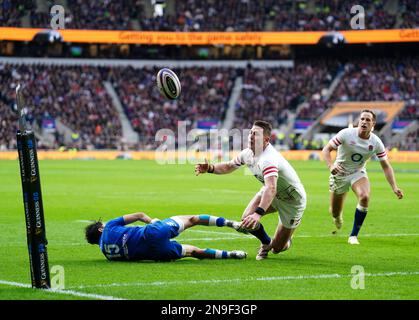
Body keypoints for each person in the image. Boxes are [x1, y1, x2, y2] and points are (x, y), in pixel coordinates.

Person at [195, 120, 307, 260]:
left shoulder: (269, 159)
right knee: (247, 218)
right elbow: (229, 166)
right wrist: (210, 168)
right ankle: (266, 242)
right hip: (271, 192)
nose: (251, 136)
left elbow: (271, 188)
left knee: (278, 249)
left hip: (291, 200)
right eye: (250, 133)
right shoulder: (247, 154)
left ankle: (286, 240)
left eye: (256, 134)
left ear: (266, 139)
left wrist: (258, 214)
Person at [321, 109, 404, 245]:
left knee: (364, 196)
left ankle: (353, 235)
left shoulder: (376, 142)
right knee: (335, 212)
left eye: (368, 120)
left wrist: (394, 187)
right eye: (362, 119)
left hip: (357, 173)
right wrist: (331, 166)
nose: (364, 122)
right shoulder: (346, 134)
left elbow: (386, 166)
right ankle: (337, 217)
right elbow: (326, 150)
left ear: (373, 125)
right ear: (359, 121)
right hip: (340, 174)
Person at [85, 212, 247, 261]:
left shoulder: (108, 255)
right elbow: (139, 215)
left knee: (194, 252)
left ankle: (231, 254)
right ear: (100, 230)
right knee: (192, 220)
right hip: (153, 232)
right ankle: (231, 223)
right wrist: (154, 221)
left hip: (157, 253)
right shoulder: (109, 227)